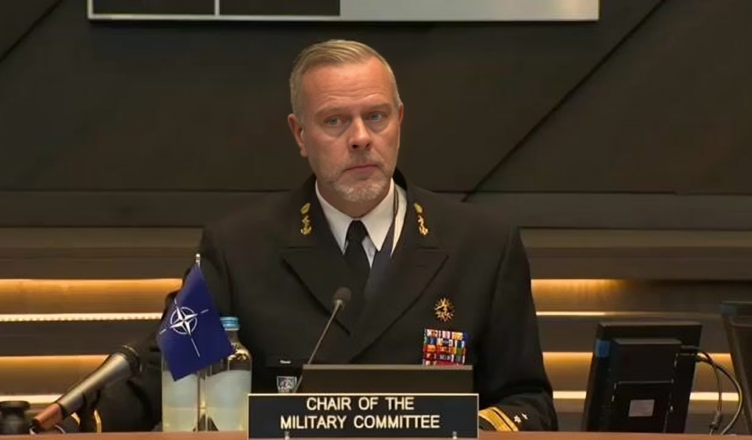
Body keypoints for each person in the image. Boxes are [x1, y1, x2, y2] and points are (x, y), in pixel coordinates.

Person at [90, 39, 558, 432]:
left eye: (376, 117)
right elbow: (165, 373)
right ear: (299, 134)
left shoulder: (483, 245)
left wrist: (460, 432)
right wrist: (77, 422)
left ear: (400, 121)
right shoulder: (239, 247)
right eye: (335, 121)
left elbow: (528, 402)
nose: (360, 138)